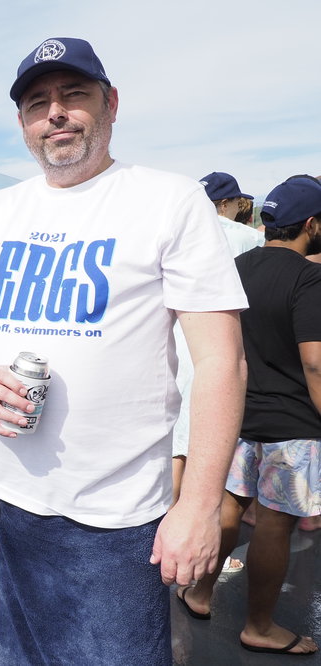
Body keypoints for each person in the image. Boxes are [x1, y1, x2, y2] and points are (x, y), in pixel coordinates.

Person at [0, 37, 248, 665]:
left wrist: (201, 505)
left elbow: (222, 362)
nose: (56, 113)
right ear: (22, 123)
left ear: (111, 104)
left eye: (74, 95)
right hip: (0, 500)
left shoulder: (169, 200)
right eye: (37, 102)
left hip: (118, 516)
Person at [180, 176, 321, 656]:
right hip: (292, 426)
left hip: (237, 414)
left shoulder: (236, 267)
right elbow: (315, 362)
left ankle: (199, 592)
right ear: (312, 225)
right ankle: (259, 625)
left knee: (229, 509)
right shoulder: (309, 278)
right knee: (276, 523)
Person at [169, 172, 264, 577]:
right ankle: (200, 538)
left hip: (174, 341)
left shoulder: (177, 226)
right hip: (218, 345)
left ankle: (164, 526)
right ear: (228, 203)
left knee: (175, 443)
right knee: (203, 442)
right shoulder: (246, 238)